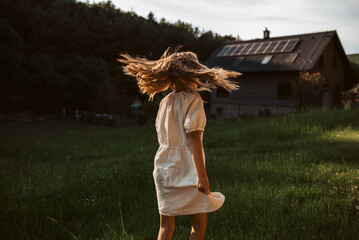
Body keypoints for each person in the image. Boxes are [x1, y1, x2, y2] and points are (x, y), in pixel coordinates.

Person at [119, 47, 241, 240]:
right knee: (198, 225)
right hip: (186, 169)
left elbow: (162, 136)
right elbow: (193, 138)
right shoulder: (193, 100)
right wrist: (202, 176)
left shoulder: (165, 102)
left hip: (163, 168)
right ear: (191, 74)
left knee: (166, 226)